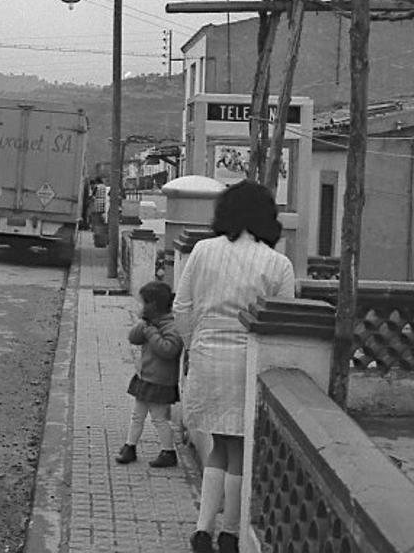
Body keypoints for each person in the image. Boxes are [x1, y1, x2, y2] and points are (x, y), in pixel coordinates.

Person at [174, 180, 294, 553]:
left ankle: (201, 529)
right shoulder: (278, 264)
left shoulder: (203, 251)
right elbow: (284, 322)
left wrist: (193, 344)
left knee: (218, 446)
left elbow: (181, 308)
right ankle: (229, 533)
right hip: (248, 361)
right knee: (240, 446)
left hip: (208, 355)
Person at [115, 280, 183, 468]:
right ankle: (130, 446)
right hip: (145, 377)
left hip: (160, 381)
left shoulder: (171, 326)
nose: (142, 306)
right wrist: (143, 323)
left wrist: (151, 330)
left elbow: (168, 350)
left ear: (154, 305)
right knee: (137, 415)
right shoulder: (150, 323)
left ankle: (168, 451)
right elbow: (133, 338)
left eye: (145, 303)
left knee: (159, 418)